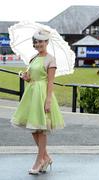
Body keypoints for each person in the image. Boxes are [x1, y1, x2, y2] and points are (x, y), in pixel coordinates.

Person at [10, 30, 64, 175]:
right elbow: (31, 76)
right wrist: (26, 77)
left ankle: (39, 161)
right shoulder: (33, 58)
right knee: (34, 128)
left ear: (47, 42)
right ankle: (45, 158)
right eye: (37, 41)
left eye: (42, 41)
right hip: (31, 94)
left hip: (43, 95)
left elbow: (51, 82)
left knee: (41, 129)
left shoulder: (51, 60)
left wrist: (48, 101)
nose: (39, 44)